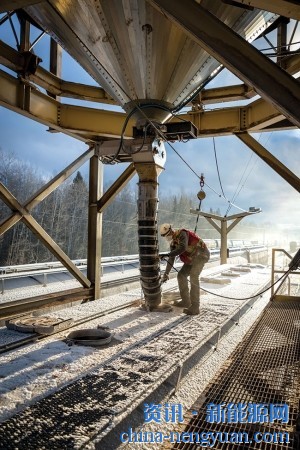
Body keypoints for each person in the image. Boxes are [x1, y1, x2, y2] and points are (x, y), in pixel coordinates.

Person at [160, 223, 210, 315]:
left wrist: (168, 254)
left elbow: (183, 248)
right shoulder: (173, 243)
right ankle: (186, 301)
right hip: (191, 259)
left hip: (201, 255)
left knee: (194, 276)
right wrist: (166, 273)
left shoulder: (182, 233)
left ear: (171, 231)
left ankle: (195, 307)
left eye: (167, 235)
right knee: (181, 275)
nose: (167, 238)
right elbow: (171, 259)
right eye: (165, 237)